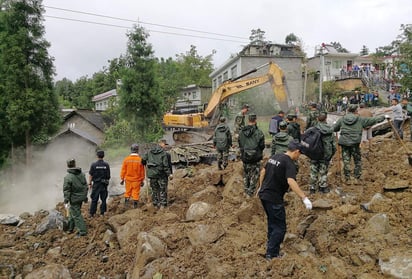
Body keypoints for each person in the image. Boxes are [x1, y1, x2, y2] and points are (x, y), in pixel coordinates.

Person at [258, 140, 312, 260]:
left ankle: (271, 248)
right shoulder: (289, 163)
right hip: (274, 198)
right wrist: (304, 198)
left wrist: (261, 187)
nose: (299, 157)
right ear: (296, 152)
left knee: (272, 223)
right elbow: (291, 181)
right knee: (280, 227)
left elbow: (263, 171)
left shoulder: (275, 156)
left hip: (264, 196)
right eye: (299, 154)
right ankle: (271, 255)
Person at [333, 104, 385, 183]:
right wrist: (383, 117)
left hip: (344, 142)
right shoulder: (360, 119)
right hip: (355, 142)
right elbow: (373, 120)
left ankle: (347, 178)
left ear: (348, 110)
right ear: (356, 111)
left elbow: (335, 128)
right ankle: (357, 177)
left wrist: (335, 125)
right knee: (357, 160)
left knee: (346, 160)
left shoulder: (342, 119)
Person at [309, 113, 336, 194]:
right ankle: (322, 187)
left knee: (313, 171)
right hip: (325, 154)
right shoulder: (330, 130)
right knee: (323, 171)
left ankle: (312, 188)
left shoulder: (313, 129)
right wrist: (330, 154)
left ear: (317, 119)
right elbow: (333, 145)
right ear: (326, 119)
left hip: (314, 153)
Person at [238, 114, 265, 197]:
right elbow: (262, 146)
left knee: (246, 174)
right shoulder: (259, 132)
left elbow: (240, 143)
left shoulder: (241, 132)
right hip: (255, 157)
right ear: (255, 120)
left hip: (245, 156)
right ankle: (250, 194)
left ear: (248, 120)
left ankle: (246, 191)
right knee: (254, 176)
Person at [142, 139, 173, 209]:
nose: (165, 146)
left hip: (152, 175)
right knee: (163, 190)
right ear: (161, 144)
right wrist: (169, 174)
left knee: (154, 190)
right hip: (162, 175)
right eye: (165, 145)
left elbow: (142, 160)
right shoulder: (163, 153)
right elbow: (165, 165)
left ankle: (155, 204)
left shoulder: (149, 152)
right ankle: (163, 205)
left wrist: (144, 163)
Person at [63, 158, 88, 237]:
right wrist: (85, 197)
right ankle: (70, 228)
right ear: (75, 164)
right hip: (81, 197)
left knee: (77, 215)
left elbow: (67, 190)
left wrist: (66, 200)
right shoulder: (82, 174)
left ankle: (82, 231)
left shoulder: (68, 177)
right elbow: (85, 186)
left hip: (74, 199)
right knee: (72, 212)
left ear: (67, 165)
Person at [120, 143, 145, 208]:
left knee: (127, 192)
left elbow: (123, 170)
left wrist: (122, 179)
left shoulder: (126, 159)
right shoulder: (140, 160)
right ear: (137, 150)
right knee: (136, 193)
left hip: (128, 180)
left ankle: (126, 206)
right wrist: (142, 180)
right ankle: (135, 206)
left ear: (131, 150)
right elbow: (142, 171)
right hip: (137, 180)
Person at [88, 150, 111, 217]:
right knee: (103, 199)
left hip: (96, 184)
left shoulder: (93, 165)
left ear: (97, 156)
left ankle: (92, 213)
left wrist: (89, 183)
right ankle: (102, 213)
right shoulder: (106, 165)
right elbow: (108, 176)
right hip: (103, 184)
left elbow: (91, 175)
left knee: (94, 199)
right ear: (103, 156)